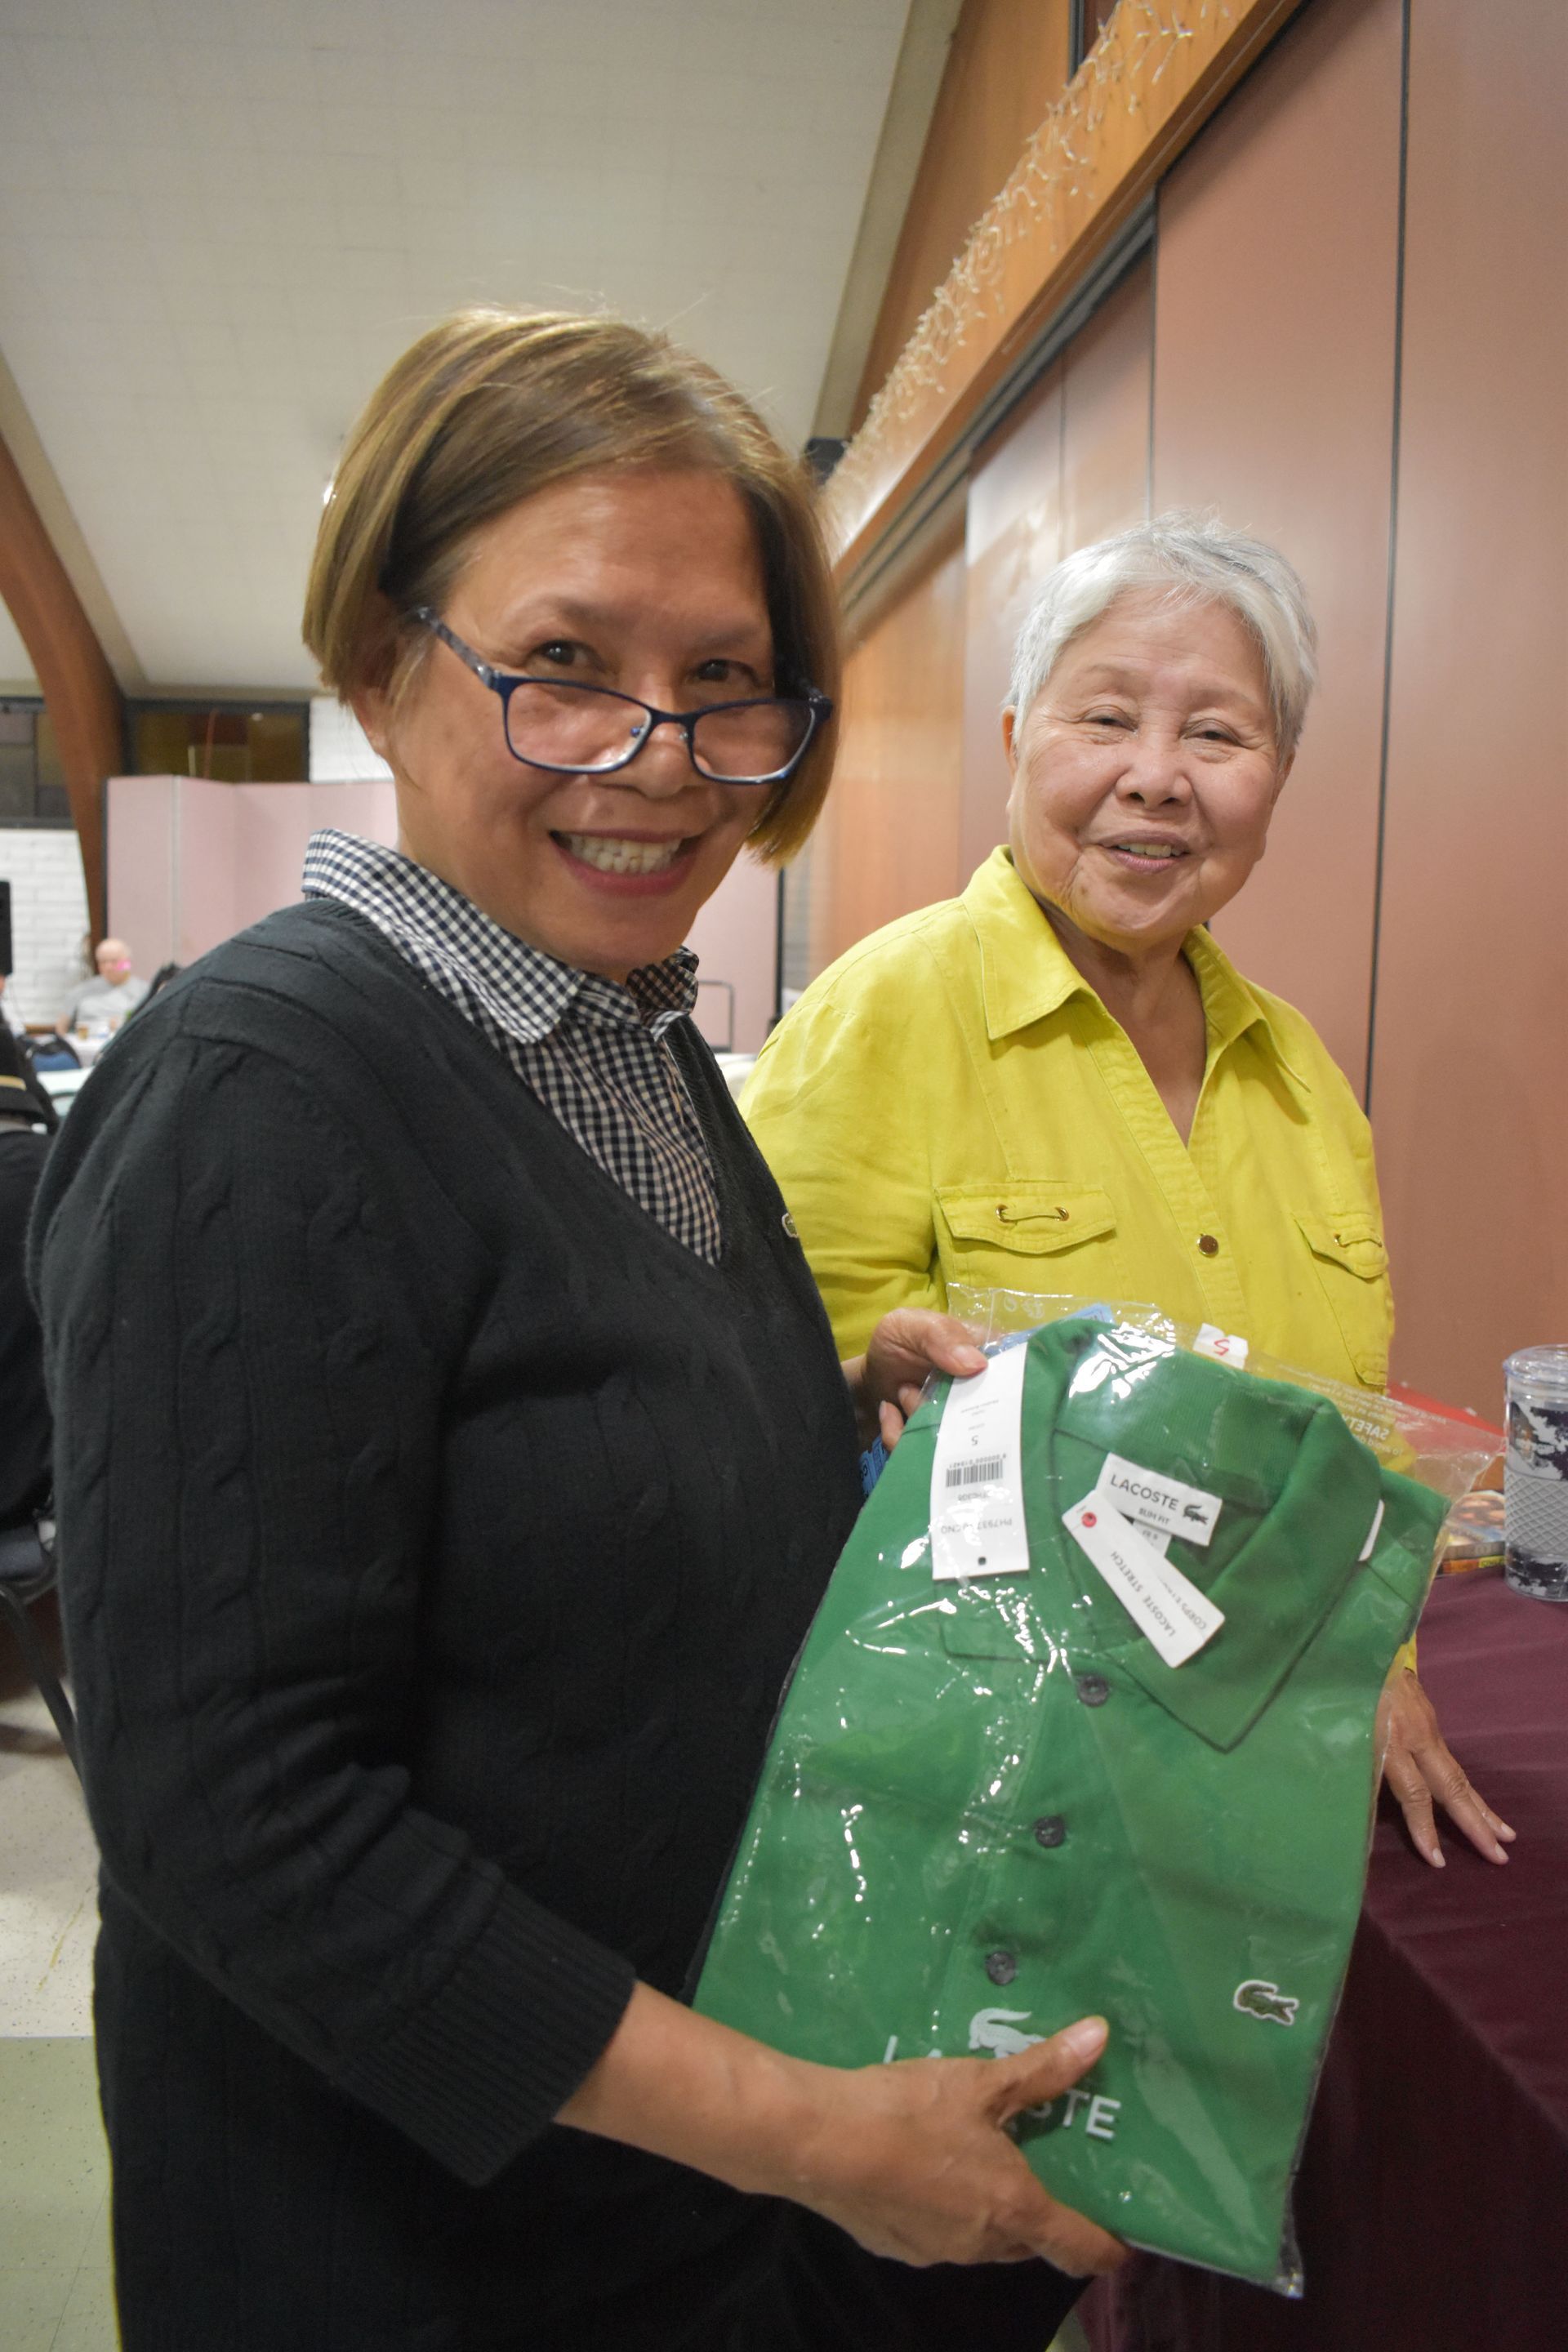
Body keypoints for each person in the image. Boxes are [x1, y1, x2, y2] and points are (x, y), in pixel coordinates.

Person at [32, 310, 1122, 2352]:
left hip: (662, 2199)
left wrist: (808, 1400)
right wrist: (810, 2135)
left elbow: (495, 1442)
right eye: (564, 662)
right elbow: (241, 1820)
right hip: (417, 2247)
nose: (661, 756)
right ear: (382, 660)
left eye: (723, 683)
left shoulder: (623, 1030)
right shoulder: (265, 1091)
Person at [743, 512, 1513, 1878]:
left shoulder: (1303, 1081)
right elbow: (755, 1423)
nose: (1156, 779)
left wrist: (1377, 1669)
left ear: (1278, 777)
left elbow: (1358, 1458)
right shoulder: (884, 1016)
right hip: (973, 1807)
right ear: (1015, 738)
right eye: (1105, 719)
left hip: (1268, 1795)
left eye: (1217, 735)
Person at [56, 935, 148, 1033]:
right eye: (103, 962)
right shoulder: (82, 990)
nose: (108, 967)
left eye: (114, 961)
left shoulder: (144, 991)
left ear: (127, 963)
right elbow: (62, 1026)